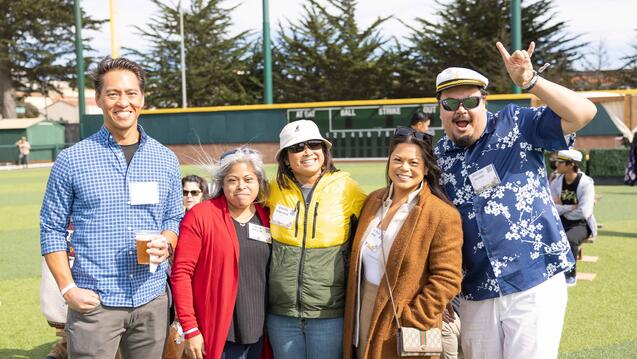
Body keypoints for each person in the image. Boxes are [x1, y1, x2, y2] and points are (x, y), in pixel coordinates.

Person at [433, 41, 597, 359]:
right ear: (440, 109)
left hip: (534, 277)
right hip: (475, 290)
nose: (461, 109)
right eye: (450, 103)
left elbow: (584, 113)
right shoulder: (437, 156)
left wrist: (532, 81)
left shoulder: (516, 124)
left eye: (470, 100)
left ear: (485, 102)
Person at [40, 56, 183, 359]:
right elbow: (51, 229)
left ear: (142, 98)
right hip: (95, 304)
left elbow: (174, 217)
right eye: (113, 93)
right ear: (99, 99)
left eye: (131, 93)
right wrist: (68, 290)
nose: (123, 102)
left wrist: (167, 242)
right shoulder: (72, 160)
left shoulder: (165, 159)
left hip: (151, 299)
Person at [342, 126, 463, 359]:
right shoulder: (373, 201)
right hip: (362, 307)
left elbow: (447, 279)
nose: (404, 168)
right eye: (397, 159)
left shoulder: (441, 214)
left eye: (413, 162)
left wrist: (413, 317)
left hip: (402, 320)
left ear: (426, 168)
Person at [265, 120, 366, 359]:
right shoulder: (270, 190)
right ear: (286, 158)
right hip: (281, 315)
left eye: (314, 144)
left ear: (324, 151)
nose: (307, 152)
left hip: (328, 315)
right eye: (297, 147)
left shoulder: (347, 188)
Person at [171, 147, 271, 359]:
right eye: (232, 180)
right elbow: (181, 274)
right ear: (222, 184)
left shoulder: (267, 216)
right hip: (218, 332)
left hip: (259, 333)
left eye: (248, 179)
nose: (241, 186)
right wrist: (190, 327)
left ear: (259, 182)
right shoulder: (201, 215)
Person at [549, 149, 597, 286]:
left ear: (570, 164)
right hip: (561, 221)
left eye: (560, 162)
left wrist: (561, 208)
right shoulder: (556, 182)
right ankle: (552, 274)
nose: (556, 164)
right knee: (547, 236)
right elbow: (551, 207)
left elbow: (584, 212)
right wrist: (570, 207)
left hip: (581, 224)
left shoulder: (586, 184)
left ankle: (570, 276)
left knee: (569, 239)